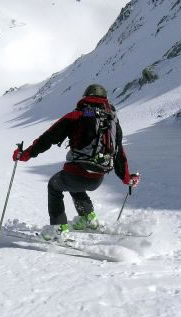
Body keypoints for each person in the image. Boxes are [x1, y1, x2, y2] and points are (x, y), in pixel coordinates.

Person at [12, 84, 140, 240]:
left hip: (77, 172)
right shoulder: (112, 120)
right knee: (75, 185)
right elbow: (119, 152)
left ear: (85, 97)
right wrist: (127, 178)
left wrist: (25, 154)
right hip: (98, 177)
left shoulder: (77, 115)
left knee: (54, 185)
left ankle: (58, 229)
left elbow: (49, 138)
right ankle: (88, 219)